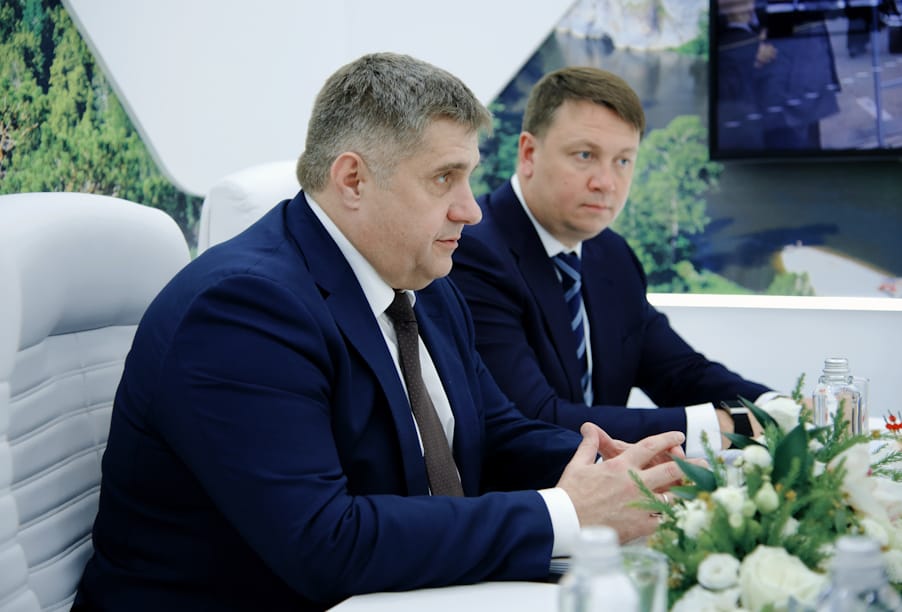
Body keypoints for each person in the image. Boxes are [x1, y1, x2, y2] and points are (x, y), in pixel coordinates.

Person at [72, 53, 689, 611]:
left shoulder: (423, 278)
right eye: (444, 178)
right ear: (353, 180)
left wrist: (624, 474)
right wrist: (566, 512)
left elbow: (493, 433)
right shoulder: (244, 308)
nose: (472, 209)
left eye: (469, 177)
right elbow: (324, 542)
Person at [449, 66, 778, 457]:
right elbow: (535, 418)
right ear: (529, 153)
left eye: (623, 161)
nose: (606, 182)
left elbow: (679, 371)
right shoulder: (474, 251)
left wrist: (776, 407)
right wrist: (721, 426)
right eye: (585, 155)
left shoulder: (612, 254)